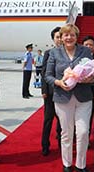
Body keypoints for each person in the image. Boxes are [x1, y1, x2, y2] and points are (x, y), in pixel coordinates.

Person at [45, 24, 93, 172]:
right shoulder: (54, 52)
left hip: (83, 97)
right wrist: (59, 83)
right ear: (62, 37)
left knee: (83, 132)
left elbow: (92, 72)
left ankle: (81, 165)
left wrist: (88, 79)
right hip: (62, 98)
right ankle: (67, 163)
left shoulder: (85, 51)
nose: (69, 38)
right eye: (66, 35)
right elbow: (48, 76)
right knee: (66, 133)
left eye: (72, 35)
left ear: (76, 36)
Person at [41, 27, 62, 156]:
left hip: (64, 93)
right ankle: (45, 145)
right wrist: (44, 90)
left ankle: (61, 144)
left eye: (61, 36)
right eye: (57, 37)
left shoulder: (68, 53)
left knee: (62, 121)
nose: (60, 39)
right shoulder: (48, 53)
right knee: (48, 120)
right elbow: (44, 73)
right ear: (53, 39)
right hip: (50, 93)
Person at [82, 35, 94, 145]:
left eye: (91, 45)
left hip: (92, 94)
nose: (88, 47)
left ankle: (85, 140)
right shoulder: (77, 58)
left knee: (88, 117)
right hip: (78, 92)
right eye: (86, 45)